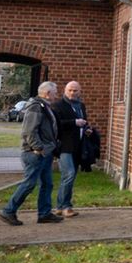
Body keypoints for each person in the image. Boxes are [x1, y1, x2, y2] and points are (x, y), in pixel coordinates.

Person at [0, 81, 63, 225]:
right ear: (47, 93)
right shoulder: (36, 107)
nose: (56, 95)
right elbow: (29, 131)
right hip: (34, 153)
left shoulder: (44, 106)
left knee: (47, 184)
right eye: (55, 92)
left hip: (44, 152)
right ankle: (8, 211)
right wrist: (38, 148)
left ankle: (44, 214)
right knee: (29, 183)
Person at [52, 81, 89, 217]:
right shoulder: (58, 105)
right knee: (69, 174)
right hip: (64, 146)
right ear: (65, 91)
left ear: (80, 91)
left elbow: (84, 122)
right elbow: (56, 124)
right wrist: (74, 122)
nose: (72, 93)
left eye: (75, 90)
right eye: (70, 90)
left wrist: (87, 129)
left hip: (78, 145)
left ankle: (61, 206)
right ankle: (65, 206)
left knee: (68, 177)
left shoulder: (81, 106)